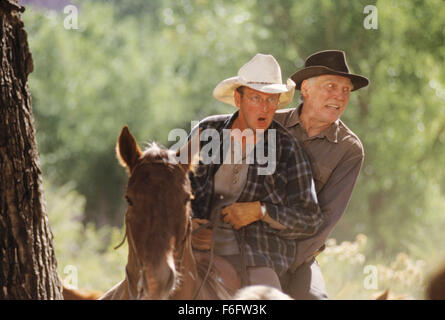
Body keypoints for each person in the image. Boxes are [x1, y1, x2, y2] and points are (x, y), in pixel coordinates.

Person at [189, 53, 323, 290]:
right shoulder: (206, 131)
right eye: (256, 98)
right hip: (192, 247)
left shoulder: (288, 149)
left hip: (255, 255)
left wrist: (261, 211)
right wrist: (187, 224)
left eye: (272, 100)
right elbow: (168, 185)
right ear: (238, 99)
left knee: (265, 298)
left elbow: (310, 220)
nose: (265, 107)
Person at [274, 50, 370, 299]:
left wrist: (286, 264)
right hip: (246, 242)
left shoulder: (349, 149)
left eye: (346, 90)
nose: (340, 96)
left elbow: (326, 219)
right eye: (331, 86)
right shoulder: (271, 124)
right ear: (305, 88)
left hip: (299, 256)